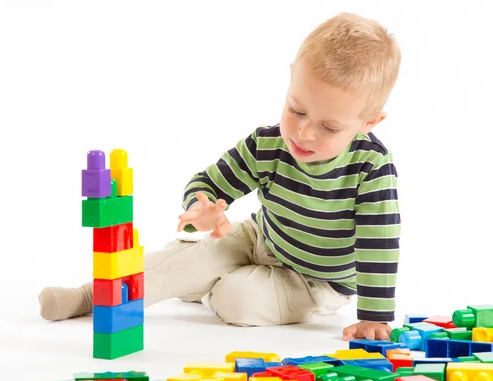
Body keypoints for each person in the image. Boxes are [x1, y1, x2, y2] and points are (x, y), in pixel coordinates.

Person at [38, 11, 401, 341]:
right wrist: (202, 207)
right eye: (297, 109)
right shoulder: (269, 143)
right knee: (181, 266)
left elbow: (378, 245)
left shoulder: (371, 169)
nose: (304, 132)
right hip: (260, 239)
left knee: (236, 299)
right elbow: (207, 183)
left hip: (315, 282)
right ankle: (90, 296)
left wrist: (374, 318)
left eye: (329, 126)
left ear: (368, 122)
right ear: (291, 77)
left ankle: (197, 278)